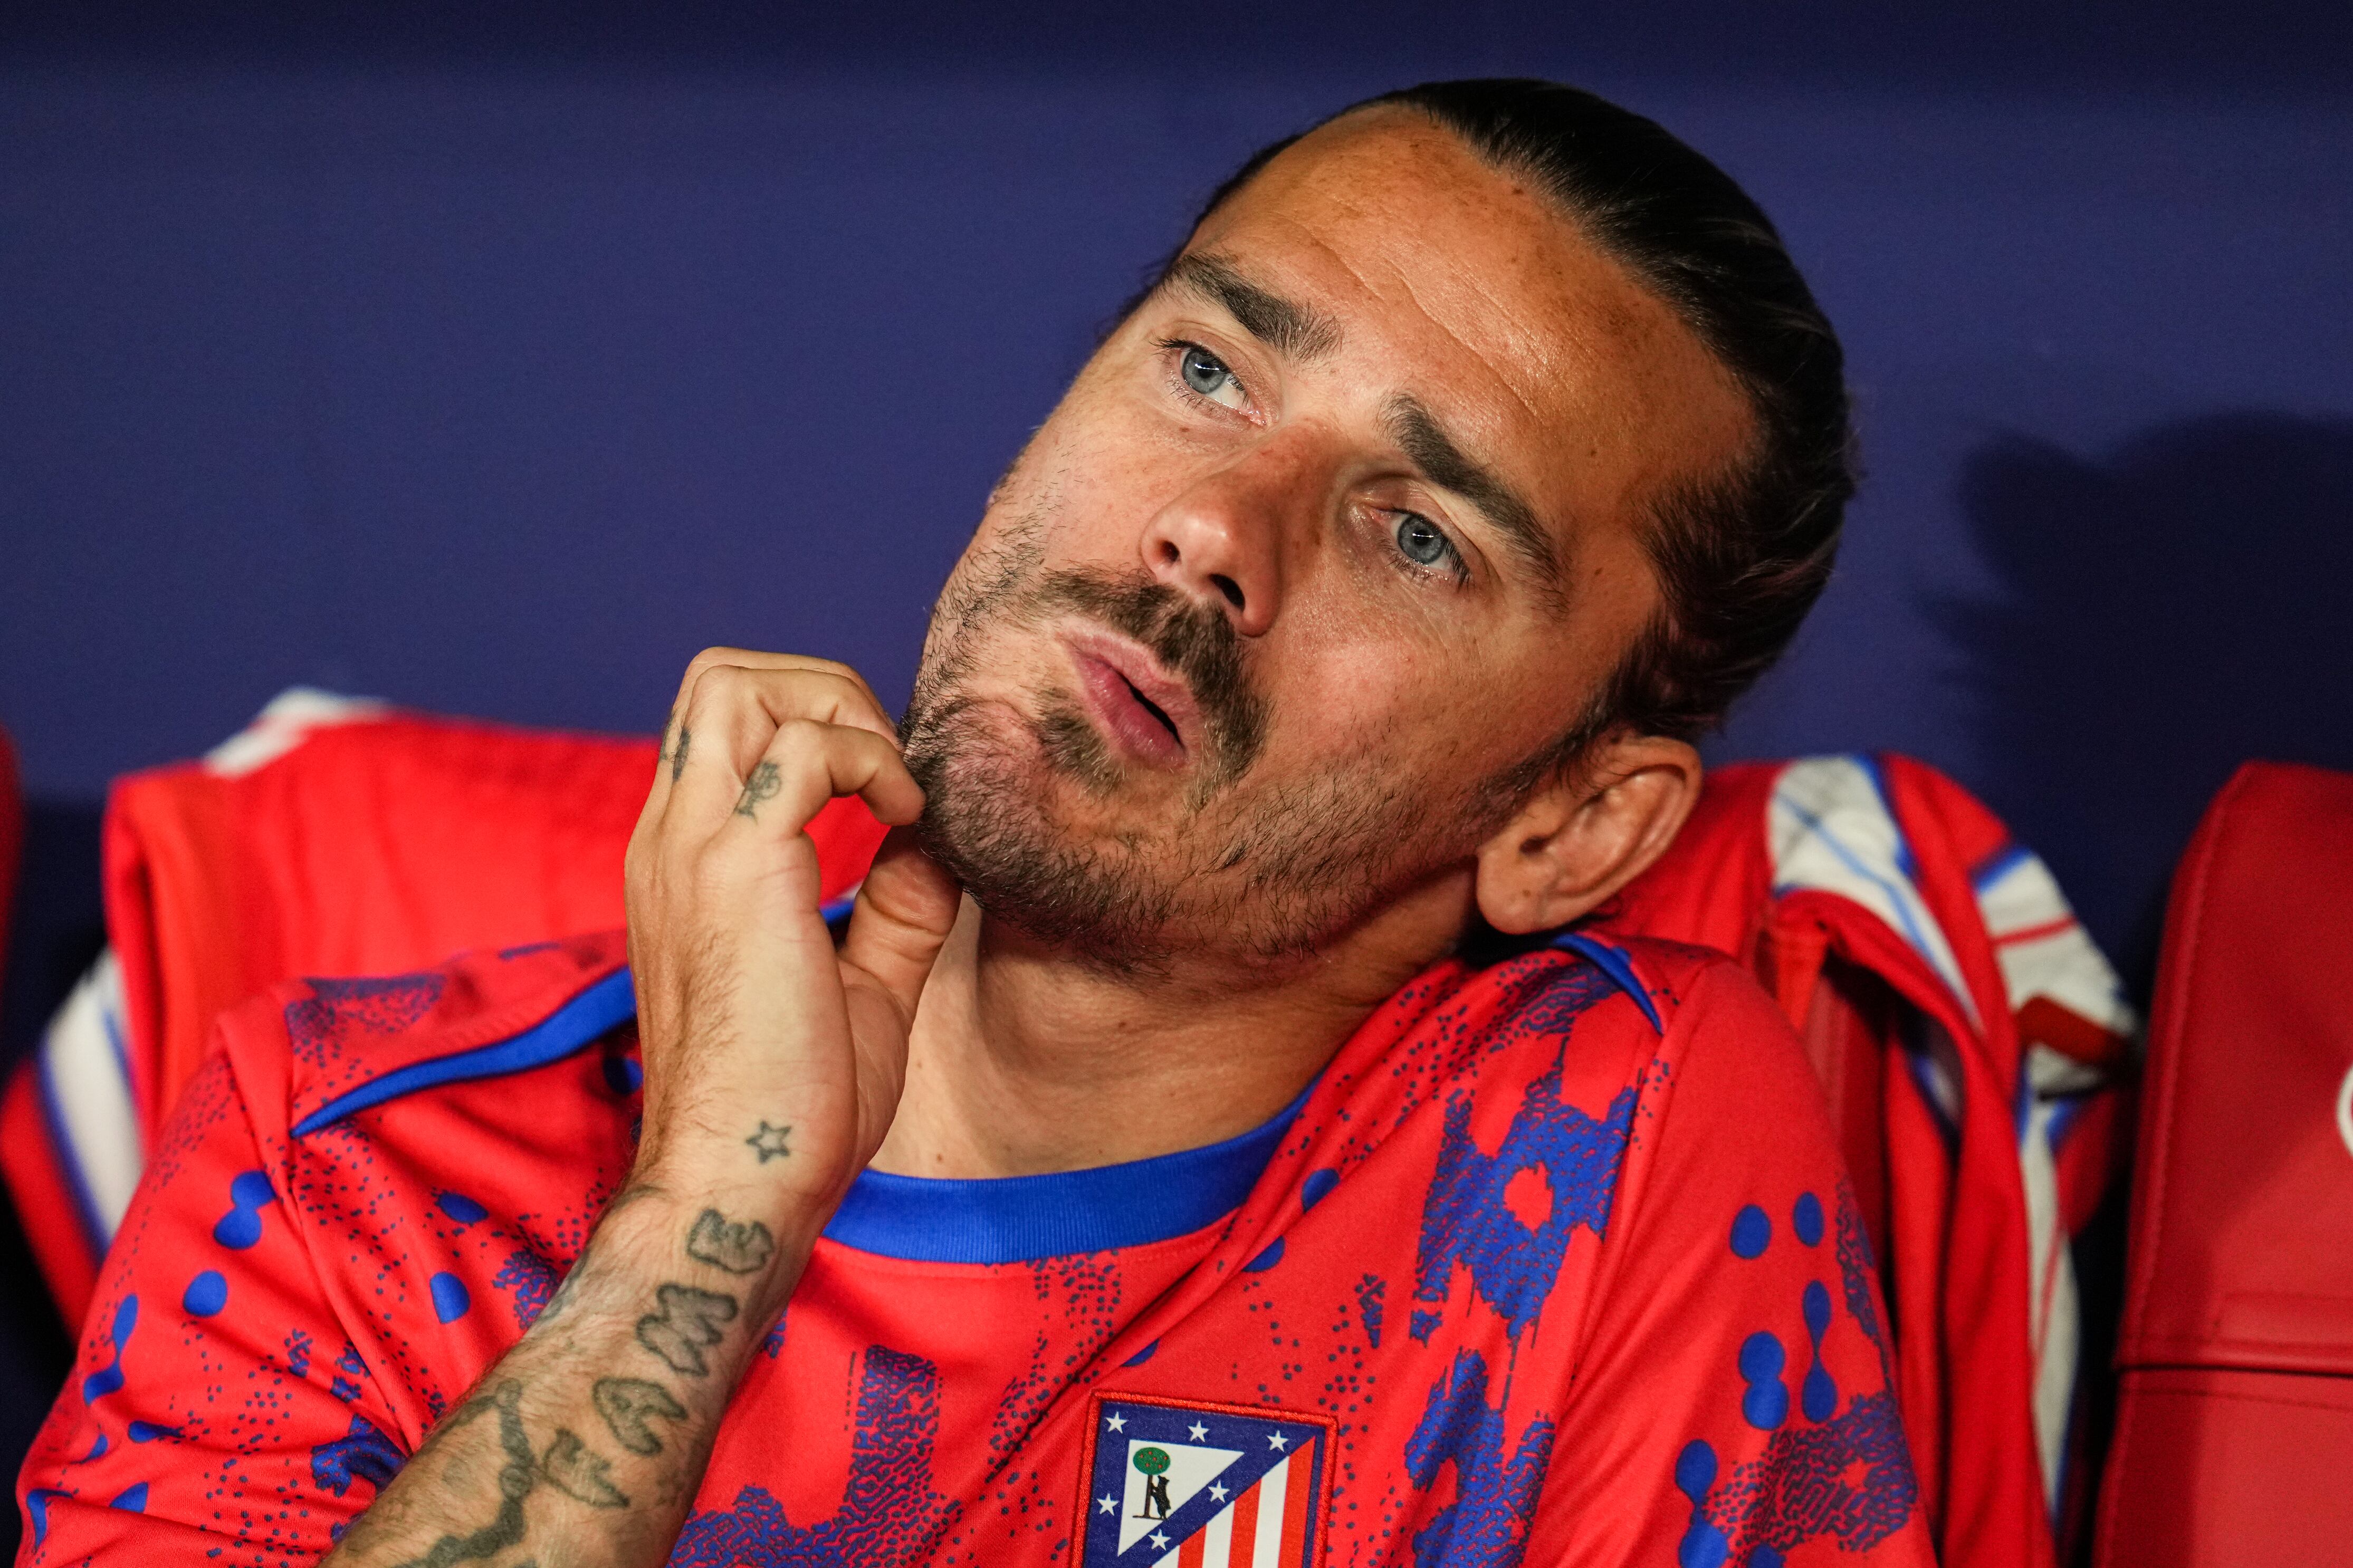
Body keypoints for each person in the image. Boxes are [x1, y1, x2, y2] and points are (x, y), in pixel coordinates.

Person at [18, 80, 1933, 1567]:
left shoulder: (1602, 1150)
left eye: (1416, 536)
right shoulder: (346, 1153)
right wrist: (712, 1209)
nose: (1210, 528)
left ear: (1574, 827)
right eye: (1205, 369)